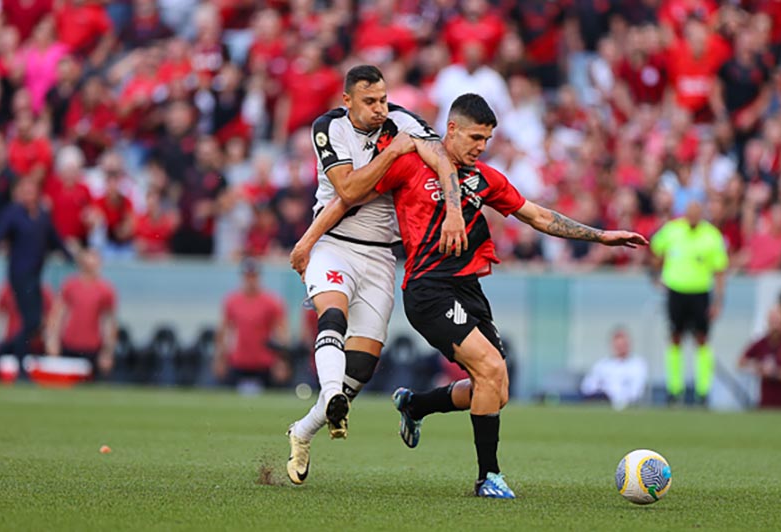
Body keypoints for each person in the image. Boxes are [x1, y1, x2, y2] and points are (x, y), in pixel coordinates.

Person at [305, 94, 647, 498]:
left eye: (486, 139)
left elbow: (537, 215)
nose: (480, 146)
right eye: (475, 137)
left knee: (496, 390)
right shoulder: (410, 165)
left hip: (468, 291)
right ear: (451, 129)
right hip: (428, 289)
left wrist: (603, 236)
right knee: (489, 369)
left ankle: (416, 406)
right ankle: (488, 477)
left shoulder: (486, 178)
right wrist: (309, 240)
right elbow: (351, 196)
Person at [284, 65, 467, 485]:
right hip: (335, 242)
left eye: (384, 99)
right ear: (347, 100)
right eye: (370, 102)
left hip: (382, 255)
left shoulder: (402, 121)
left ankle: (304, 429)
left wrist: (453, 210)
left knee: (362, 366)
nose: (380, 109)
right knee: (333, 316)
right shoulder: (328, 127)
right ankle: (331, 396)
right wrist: (394, 151)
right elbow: (347, 191)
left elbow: (441, 158)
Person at [0, 179, 77, 377]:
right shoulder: (13, 213)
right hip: (19, 274)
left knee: (33, 323)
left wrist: (73, 258)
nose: (28, 195)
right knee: (30, 320)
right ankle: (20, 365)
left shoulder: (42, 216)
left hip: (35, 276)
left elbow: (55, 240)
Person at [650, 199, 728, 406]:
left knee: (702, 339)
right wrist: (655, 275)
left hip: (700, 292)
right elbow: (655, 250)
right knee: (675, 338)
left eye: (697, 212)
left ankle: (703, 390)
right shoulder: (672, 230)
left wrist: (718, 301)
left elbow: (720, 271)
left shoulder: (712, 236)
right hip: (676, 291)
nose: (693, 216)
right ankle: (674, 389)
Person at [213, 258, 289, 390]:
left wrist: (281, 361)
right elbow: (223, 331)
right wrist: (220, 358)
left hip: (264, 363)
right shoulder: (232, 301)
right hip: (239, 361)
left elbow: (281, 333)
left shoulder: (271, 302)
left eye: (253, 276)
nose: (250, 280)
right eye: (247, 276)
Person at [45, 249, 117, 378]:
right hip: (69, 344)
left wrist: (107, 352)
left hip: (92, 347)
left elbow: (109, 322)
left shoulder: (105, 290)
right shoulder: (70, 285)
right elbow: (58, 314)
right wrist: (52, 340)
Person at [580, 327, 648, 410]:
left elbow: (635, 392)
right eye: (618, 345)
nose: (620, 348)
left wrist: (617, 398)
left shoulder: (637, 365)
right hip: (602, 403)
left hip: (626, 407)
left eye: (623, 345)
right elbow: (587, 386)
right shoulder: (602, 365)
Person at [0, 282, 54, 358]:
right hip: (13, 344)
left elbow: (51, 320)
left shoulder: (42, 291)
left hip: (33, 347)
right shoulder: (8, 289)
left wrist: (50, 342)